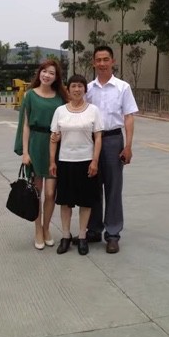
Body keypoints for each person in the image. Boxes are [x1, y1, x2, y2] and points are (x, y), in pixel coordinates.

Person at [78, 45, 138, 254]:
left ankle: (112, 234)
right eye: (98, 60)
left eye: (106, 59)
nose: (102, 63)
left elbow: (129, 117)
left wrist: (128, 146)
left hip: (113, 140)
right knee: (92, 185)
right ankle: (93, 229)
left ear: (113, 61)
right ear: (93, 63)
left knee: (113, 188)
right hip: (91, 141)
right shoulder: (88, 89)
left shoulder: (123, 87)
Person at [14, 60, 67, 250]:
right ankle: (37, 229)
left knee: (51, 193)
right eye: (44, 71)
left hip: (54, 147)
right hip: (35, 145)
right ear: (39, 73)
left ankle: (46, 229)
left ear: (56, 77)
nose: (47, 75)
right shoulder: (30, 95)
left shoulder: (61, 98)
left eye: (51, 73)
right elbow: (25, 125)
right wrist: (25, 152)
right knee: (36, 193)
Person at [49, 75, 103, 256]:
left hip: (86, 161)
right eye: (73, 86)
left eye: (80, 86)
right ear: (68, 89)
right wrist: (52, 161)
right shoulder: (60, 111)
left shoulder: (93, 110)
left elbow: (98, 137)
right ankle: (65, 236)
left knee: (86, 202)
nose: (77, 89)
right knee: (65, 202)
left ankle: (82, 236)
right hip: (65, 162)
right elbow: (53, 138)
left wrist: (95, 161)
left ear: (85, 90)